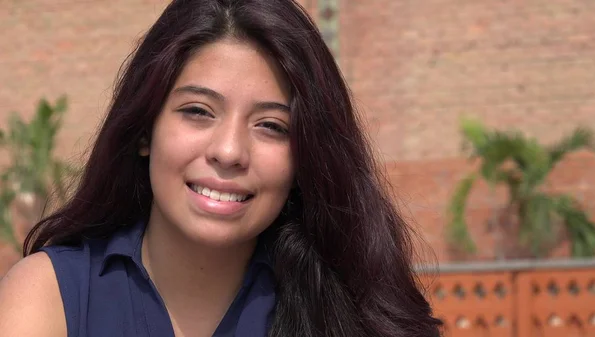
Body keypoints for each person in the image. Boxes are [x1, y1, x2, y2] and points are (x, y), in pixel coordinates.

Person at [0, 0, 442, 336]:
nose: (230, 151)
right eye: (198, 111)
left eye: (271, 125)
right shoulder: (52, 296)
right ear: (143, 130)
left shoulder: (349, 309)